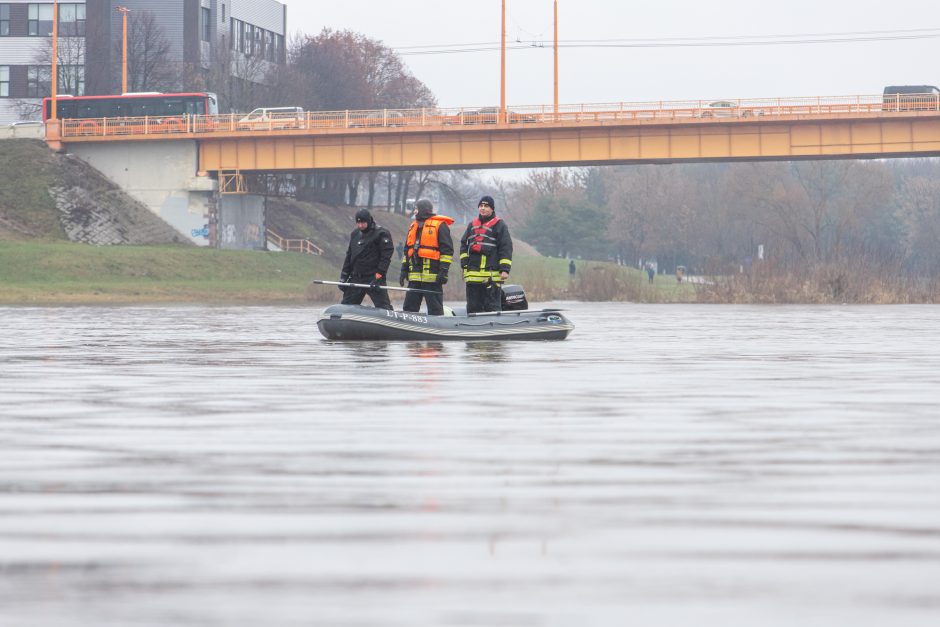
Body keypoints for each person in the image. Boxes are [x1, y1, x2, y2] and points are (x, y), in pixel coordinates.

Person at [399, 199, 454, 316]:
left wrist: (443, 271)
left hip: (433, 278)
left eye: (416, 209)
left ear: (423, 210)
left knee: (435, 310)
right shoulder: (413, 226)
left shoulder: (440, 225)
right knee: (409, 309)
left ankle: (437, 331)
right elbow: (407, 250)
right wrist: (404, 270)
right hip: (414, 278)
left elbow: (447, 251)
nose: (414, 212)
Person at [459, 195, 513, 313]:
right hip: (473, 277)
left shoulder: (500, 225)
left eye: (486, 206)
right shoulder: (472, 225)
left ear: (492, 209)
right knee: (473, 308)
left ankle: (493, 330)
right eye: (481, 206)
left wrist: (505, 269)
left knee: (492, 308)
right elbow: (464, 244)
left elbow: (506, 247)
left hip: (491, 277)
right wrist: (464, 266)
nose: (483, 208)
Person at [338, 208, 394, 310]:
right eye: (358, 223)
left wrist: (379, 275)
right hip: (356, 277)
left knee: (384, 308)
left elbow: (386, 256)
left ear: (368, 221)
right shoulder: (355, 234)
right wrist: (343, 276)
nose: (360, 225)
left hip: (373, 278)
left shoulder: (381, 233)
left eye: (363, 223)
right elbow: (349, 256)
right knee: (345, 307)